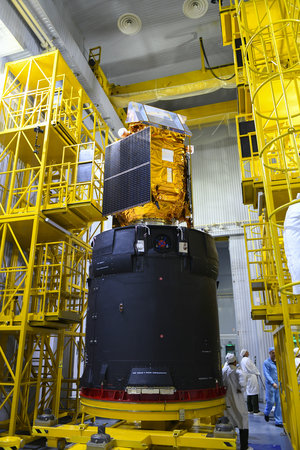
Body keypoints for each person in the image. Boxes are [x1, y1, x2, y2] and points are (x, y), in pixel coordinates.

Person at [222, 353, 253, 450]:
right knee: (243, 420)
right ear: (235, 361)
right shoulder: (236, 371)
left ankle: (230, 444)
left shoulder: (224, 370)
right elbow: (243, 380)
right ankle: (244, 447)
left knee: (230, 418)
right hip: (237, 399)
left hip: (227, 399)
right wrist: (241, 388)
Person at [263, 347, 283, 427]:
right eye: (272, 353)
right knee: (270, 401)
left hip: (278, 385)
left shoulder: (278, 362)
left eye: (275, 353)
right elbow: (266, 374)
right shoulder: (266, 362)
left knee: (278, 402)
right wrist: (272, 383)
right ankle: (266, 412)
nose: (274, 354)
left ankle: (278, 421)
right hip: (270, 385)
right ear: (269, 353)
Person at [240, 349, 263, 415]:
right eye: (247, 352)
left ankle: (250, 409)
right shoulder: (247, 359)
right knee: (254, 393)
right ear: (245, 353)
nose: (248, 352)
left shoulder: (242, 360)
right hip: (251, 377)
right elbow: (252, 368)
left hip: (247, 377)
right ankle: (256, 410)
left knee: (249, 393)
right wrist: (257, 372)